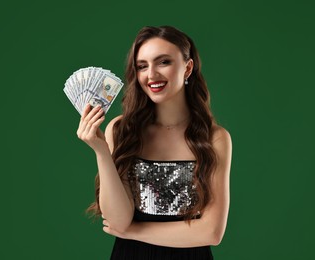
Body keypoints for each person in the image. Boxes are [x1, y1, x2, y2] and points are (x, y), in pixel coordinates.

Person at [76, 25, 232, 260]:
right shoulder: (121, 130)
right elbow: (118, 221)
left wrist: (134, 230)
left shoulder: (215, 138)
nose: (151, 75)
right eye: (142, 66)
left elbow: (211, 232)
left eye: (163, 62)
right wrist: (101, 151)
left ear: (188, 68)